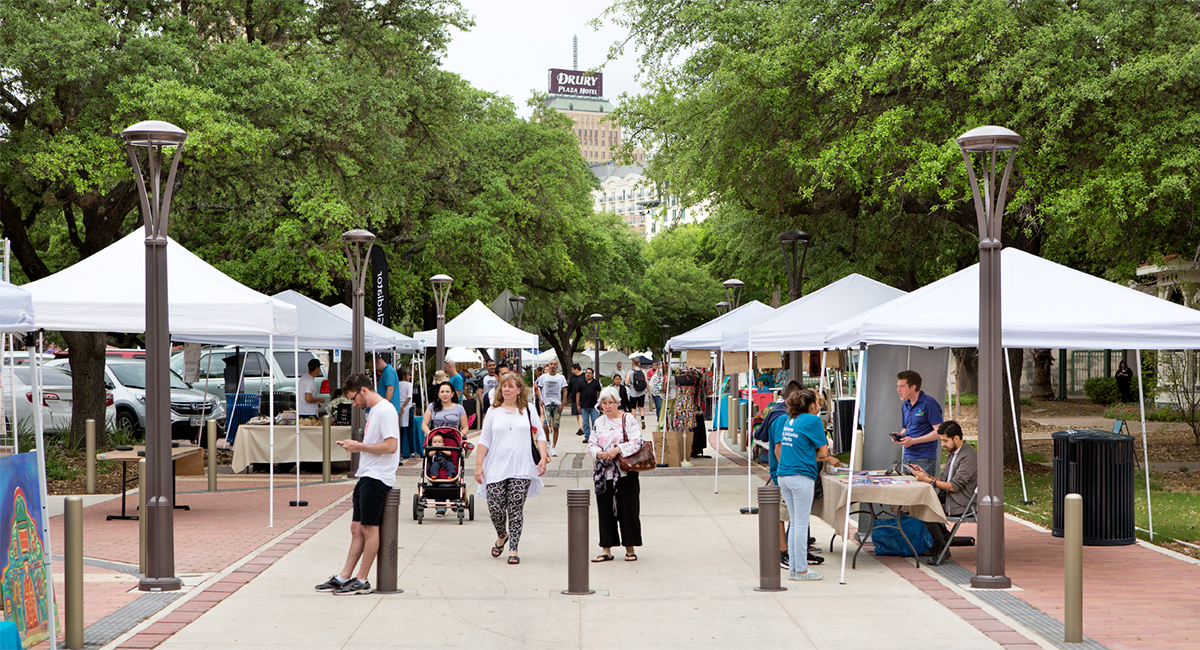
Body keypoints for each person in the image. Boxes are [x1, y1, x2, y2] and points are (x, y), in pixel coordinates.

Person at [314, 374, 399, 595]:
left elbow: (391, 447)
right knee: (357, 527)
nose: (354, 404)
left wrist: (360, 447)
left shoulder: (386, 410)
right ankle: (344, 576)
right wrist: (359, 447)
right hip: (367, 474)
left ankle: (362, 578)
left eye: (353, 398)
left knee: (369, 528)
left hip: (378, 476)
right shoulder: (375, 411)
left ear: (363, 390)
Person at [474, 373, 548, 564]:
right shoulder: (493, 411)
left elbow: (540, 435)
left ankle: (513, 549)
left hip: (521, 466)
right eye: (503, 386)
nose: (506, 389)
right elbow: (484, 439)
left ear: (519, 390)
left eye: (510, 386)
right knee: (495, 508)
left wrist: (542, 458)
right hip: (496, 466)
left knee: (515, 508)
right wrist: (478, 465)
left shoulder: (528, 409)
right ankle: (502, 535)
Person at [772, 388, 839, 581]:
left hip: (784, 475)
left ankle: (795, 566)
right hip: (801, 476)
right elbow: (824, 453)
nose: (820, 406)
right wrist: (825, 458)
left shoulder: (789, 420)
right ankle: (800, 570)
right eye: (818, 403)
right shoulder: (813, 420)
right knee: (801, 524)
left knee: (795, 523)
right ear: (811, 406)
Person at [588, 386, 645, 562]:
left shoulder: (628, 419)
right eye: (604, 403)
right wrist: (599, 453)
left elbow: (637, 441)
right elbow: (592, 443)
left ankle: (630, 547)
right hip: (604, 473)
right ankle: (606, 548)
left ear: (617, 403)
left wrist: (617, 450)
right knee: (605, 510)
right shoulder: (599, 422)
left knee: (628, 509)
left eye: (610, 402)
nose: (607, 406)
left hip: (624, 471)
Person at [908, 420, 977, 565]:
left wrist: (928, 481)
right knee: (919, 503)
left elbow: (954, 486)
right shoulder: (954, 453)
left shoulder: (968, 457)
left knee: (925, 506)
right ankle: (944, 538)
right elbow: (943, 481)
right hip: (951, 497)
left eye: (945, 441)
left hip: (962, 502)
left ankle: (942, 546)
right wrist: (926, 475)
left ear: (956, 438)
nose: (943, 444)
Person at [424, 381, 468, 516]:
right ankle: (440, 505)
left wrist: (461, 436)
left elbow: (465, 427)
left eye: (447, 391)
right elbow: (425, 424)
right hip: (436, 442)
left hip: (453, 443)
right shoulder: (432, 407)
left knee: (454, 468)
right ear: (438, 393)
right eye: (442, 391)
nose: (445, 394)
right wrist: (430, 436)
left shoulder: (459, 408)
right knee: (435, 467)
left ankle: (455, 498)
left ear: (453, 393)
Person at [893, 370, 944, 476]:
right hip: (907, 455)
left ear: (913, 387)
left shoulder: (929, 403)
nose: (898, 390)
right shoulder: (905, 405)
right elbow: (906, 428)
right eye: (898, 386)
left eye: (902, 386)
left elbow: (939, 432)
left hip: (924, 457)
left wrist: (914, 441)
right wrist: (900, 435)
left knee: (923, 490)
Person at [535, 359, 568, 458]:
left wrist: (562, 403)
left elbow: (565, 390)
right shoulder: (543, 377)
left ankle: (554, 447)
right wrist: (540, 400)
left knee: (556, 426)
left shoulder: (561, 377)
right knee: (546, 424)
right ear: (548, 366)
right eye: (551, 364)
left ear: (557, 366)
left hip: (557, 403)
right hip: (547, 403)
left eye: (554, 364)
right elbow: (539, 389)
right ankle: (548, 442)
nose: (553, 366)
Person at [576, 367, 602, 442]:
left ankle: (595, 436)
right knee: (585, 422)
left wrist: (599, 402)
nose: (587, 374)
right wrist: (578, 405)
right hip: (584, 406)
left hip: (594, 406)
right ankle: (587, 437)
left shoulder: (596, 382)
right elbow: (578, 394)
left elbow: (600, 392)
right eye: (586, 373)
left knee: (595, 421)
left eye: (589, 373)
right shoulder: (581, 383)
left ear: (592, 374)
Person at [396, 367, 416, 459]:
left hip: (399, 408)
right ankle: (412, 451)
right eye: (409, 374)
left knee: (400, 431)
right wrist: (404, 406)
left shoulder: (397, 384)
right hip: (407, 408)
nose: (410, 376)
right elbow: (409, 397)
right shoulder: (409, 385)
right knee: (410, 430)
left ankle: (399, 452)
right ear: (404, 376)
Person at [625, 359, 649, 429]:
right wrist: (649, 392)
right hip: (642, 392)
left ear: (632, 363)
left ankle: (634, 422)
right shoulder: (643, 371)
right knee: (641, 407)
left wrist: (628, 383)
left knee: (633, 408)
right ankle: (642, 419)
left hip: (633, 392)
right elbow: (646, 382)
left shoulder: (630, 372)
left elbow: (626, 382)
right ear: (638, 363)